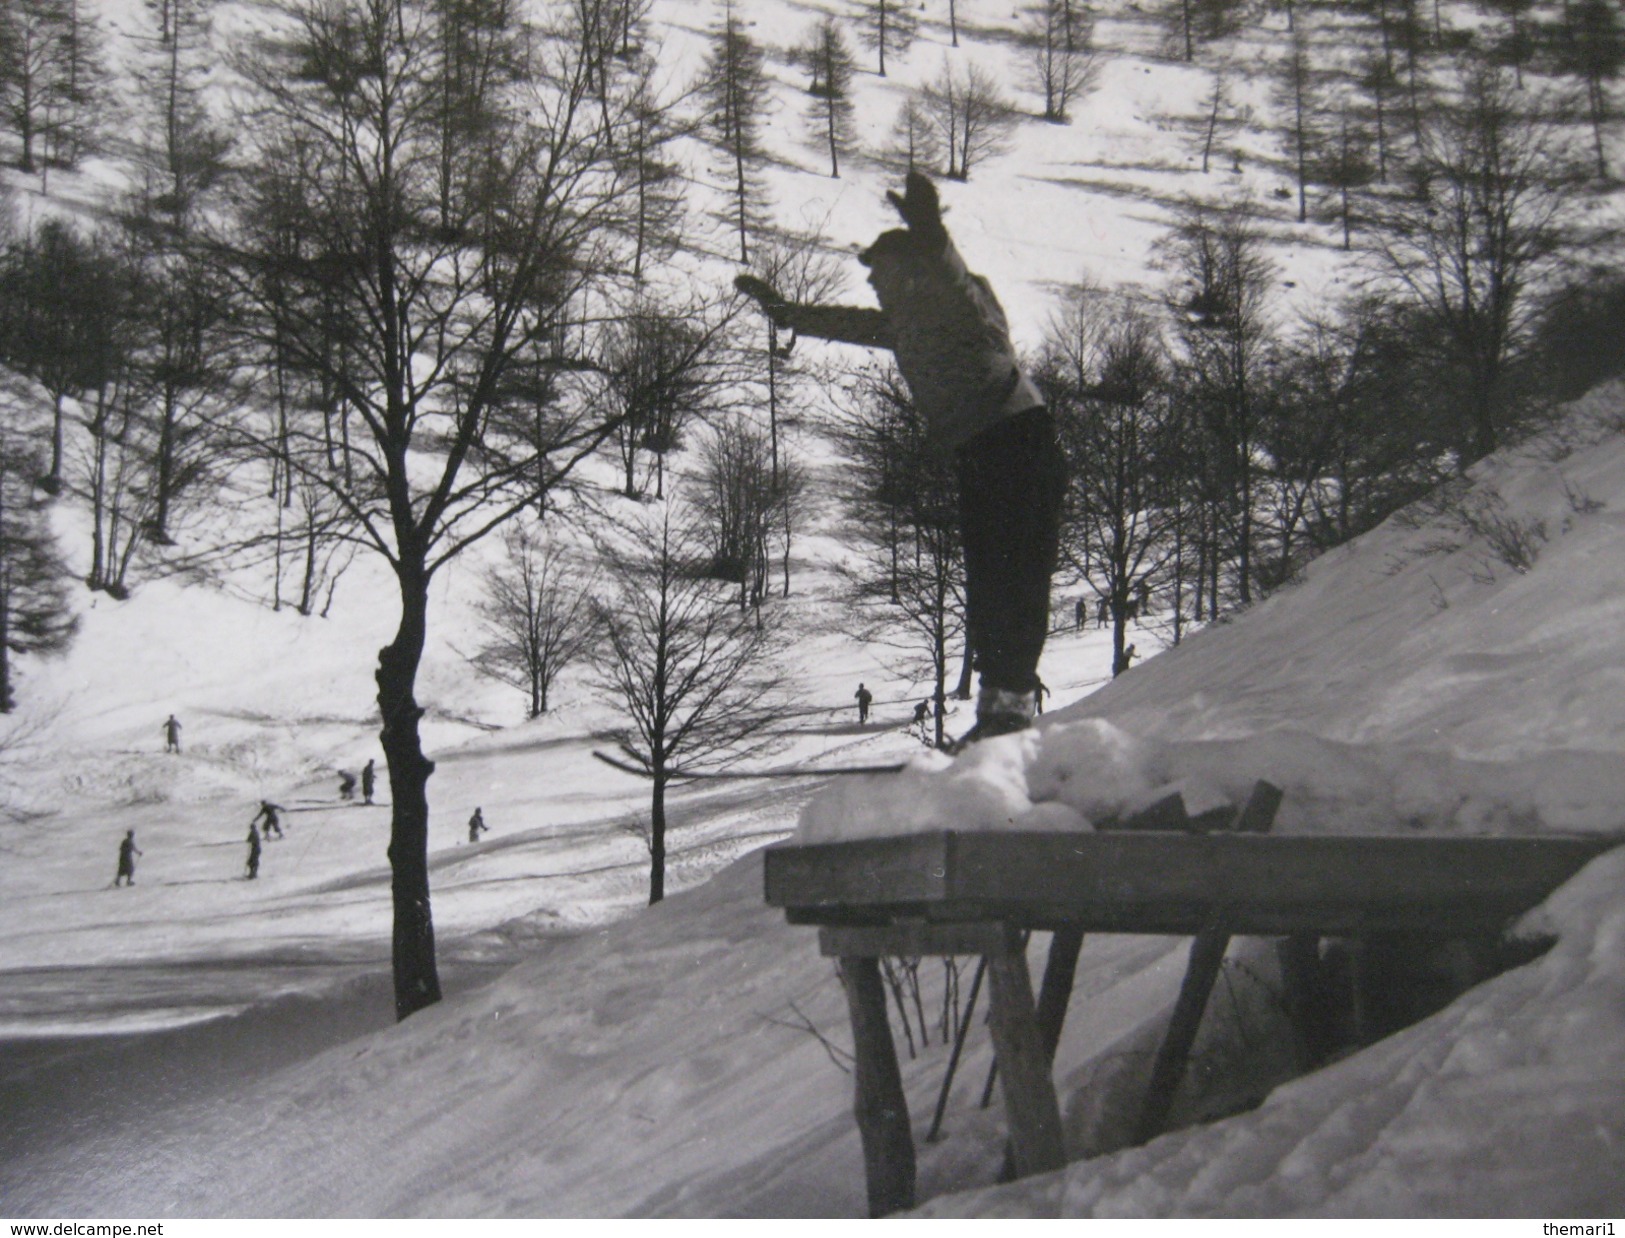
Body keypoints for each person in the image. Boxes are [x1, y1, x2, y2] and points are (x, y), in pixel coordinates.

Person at [737, 172, 1065, 748]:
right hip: (980, 452)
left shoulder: (963, 308)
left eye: (881, 273)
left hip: (1019, 443)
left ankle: (1011, 707)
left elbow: (954, 279)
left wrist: (932, 232)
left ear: (912, 269)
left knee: (1015, 578)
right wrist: (786, 313)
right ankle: (999, 713)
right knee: (989, 581)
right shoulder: (907, 323)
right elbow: (847, 322)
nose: (874, 284)